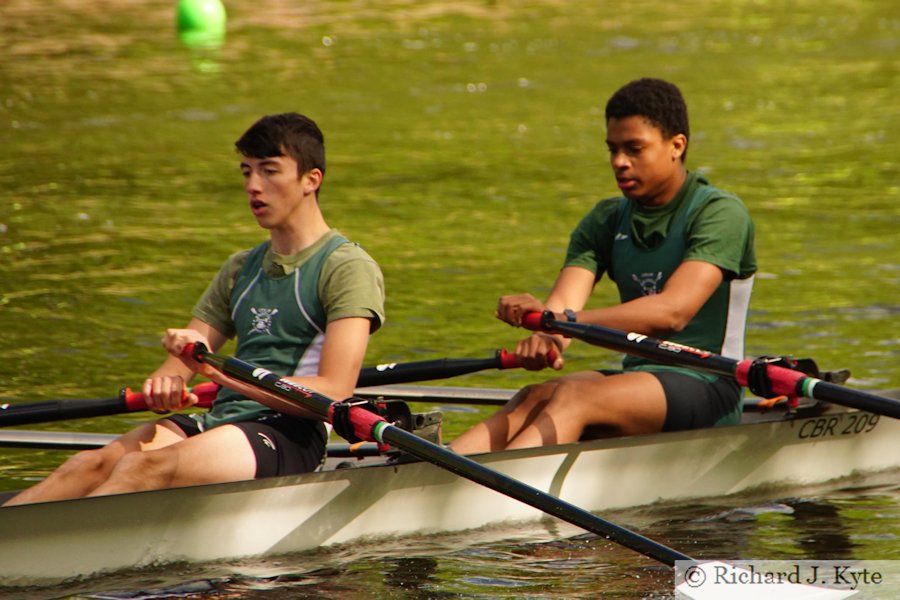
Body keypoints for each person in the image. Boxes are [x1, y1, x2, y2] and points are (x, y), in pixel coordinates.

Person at [4, 113, 385, 505]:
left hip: (291, 432)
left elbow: (336, 389)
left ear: (311, 180)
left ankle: (56, 546)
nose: (253, 186)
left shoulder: (345, 267)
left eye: (270, 171)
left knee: (141, 468)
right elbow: (177, 369)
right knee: (88, 466)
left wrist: (218, 373)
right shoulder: (241, 268)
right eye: (246, 172)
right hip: (221, 420)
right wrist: (166, 383)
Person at [451, 78, 756, 454]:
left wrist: (560, 320)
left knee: (574, 398)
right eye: (613, 149)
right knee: (536, 397)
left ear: (677, 145)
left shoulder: (719, 214)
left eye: (634, 149)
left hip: (709, 384)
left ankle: (485, 492)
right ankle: (437, 474)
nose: (619, 162)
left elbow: (673, 311)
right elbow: (564, 309)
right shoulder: (607, 219)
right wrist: (544, 337)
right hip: (642, 380)